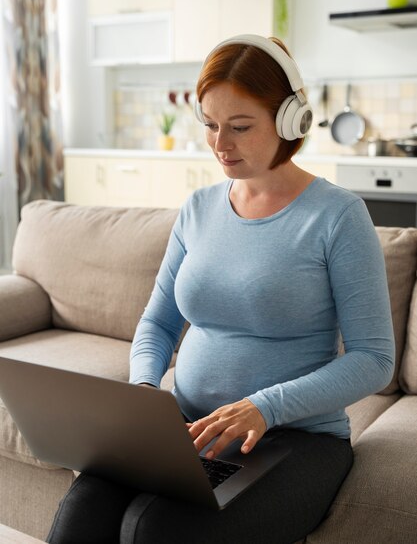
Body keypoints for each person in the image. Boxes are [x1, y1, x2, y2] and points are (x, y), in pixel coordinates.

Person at [47, 34, 395, 544]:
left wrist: (264, 406)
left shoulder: (338, 216)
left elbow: (374, 358)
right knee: (85, 510)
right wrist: (145, 393)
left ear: (289, 121)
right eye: (209, 125)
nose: (219, 144)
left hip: (294, 438)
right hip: (185, 430)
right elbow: (158, 323)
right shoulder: (198, 208)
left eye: (239, 127)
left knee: (154, 529)